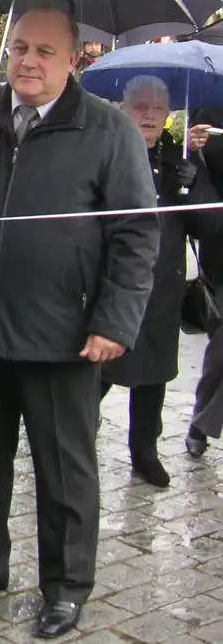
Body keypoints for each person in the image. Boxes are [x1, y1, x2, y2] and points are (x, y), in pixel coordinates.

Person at [0, 4, 160, 639]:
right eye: (19, 48)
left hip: (64, 332)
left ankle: (67, 583)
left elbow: (137, 234)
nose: (26, 61)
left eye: (44, 52)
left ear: (74, 58)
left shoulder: (108, 130)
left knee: (64, 466)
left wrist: (114, 319)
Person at [101, 77, 221, 488]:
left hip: (163, 287)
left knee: (152, 377)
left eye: (157, 108)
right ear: (124, 108)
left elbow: (211, 226)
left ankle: (144, 452)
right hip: (112, 284)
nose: (149, 115)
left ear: (168, 114)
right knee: (96, 373)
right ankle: (71, 435)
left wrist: (192, 186)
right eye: (140, 106)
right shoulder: (108, 150)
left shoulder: (179, 156)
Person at [183, 107, 223, 457]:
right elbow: (195, 175)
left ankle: (203, 421)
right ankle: (202, 421)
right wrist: (191, 148)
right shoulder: (213, 107)